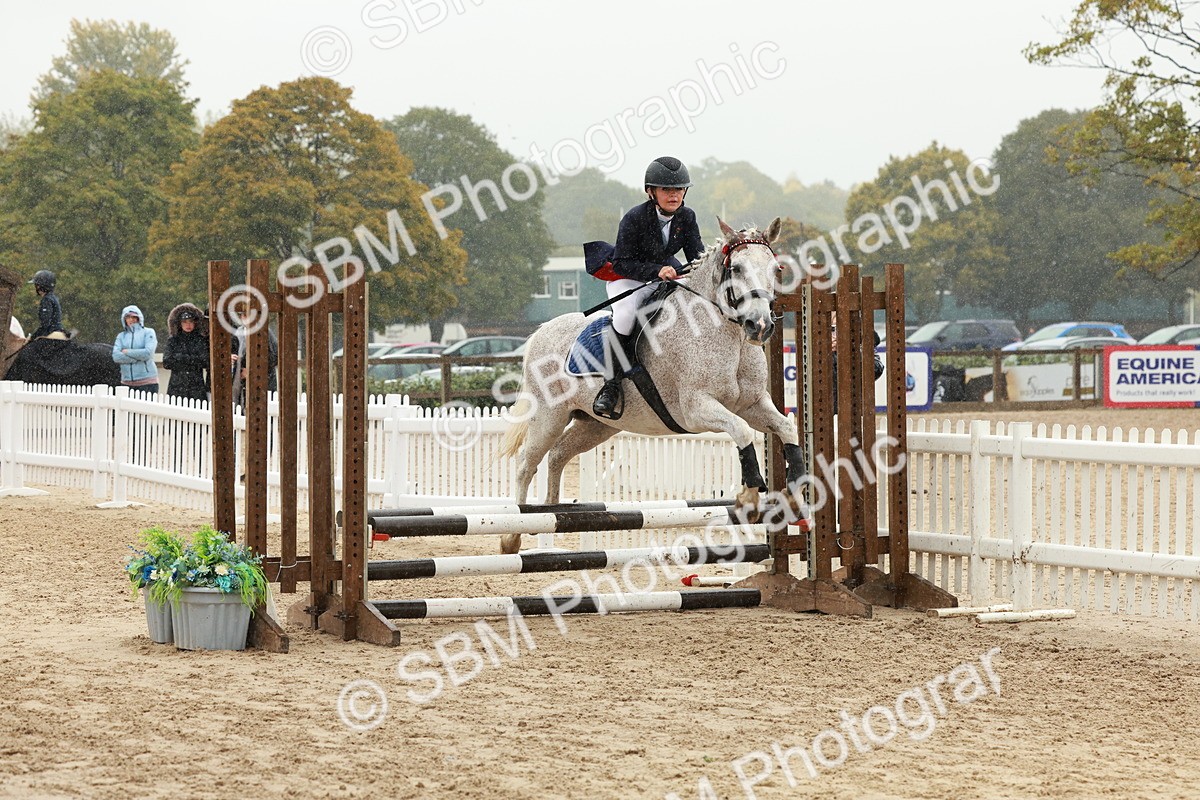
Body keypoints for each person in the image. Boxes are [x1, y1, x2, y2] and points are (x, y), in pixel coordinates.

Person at [591, 156, 705, 418]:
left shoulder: (687, 216)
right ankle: (611, 386)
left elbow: (696, 255)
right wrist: (656, 270)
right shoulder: (634, 218)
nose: (674, 195)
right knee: (625, 314)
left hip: (665, 273)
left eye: (678, 189)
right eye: (667, 190)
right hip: (629, 276)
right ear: (651, 191)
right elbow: (621, 263)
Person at [162, 303, 210, 401]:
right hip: (176, 386)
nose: (188, 325)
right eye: (184, 322)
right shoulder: (173, 340)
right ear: (179, 323)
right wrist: (191, 359)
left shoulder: (201, 340)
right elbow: (167, 362)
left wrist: (180, 358)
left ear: (195, 323)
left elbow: (205, 361)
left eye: (190, 321)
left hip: (196, 386)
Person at [112, 305, 159, 394]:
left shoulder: (148, 332)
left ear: (139, 318)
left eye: (134, 317)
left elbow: (148, 353)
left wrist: (127, 352)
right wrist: (136, 358)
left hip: (147, 382)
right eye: (128, 317)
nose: (131, 319)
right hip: (126, 383)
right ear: (124, 319)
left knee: (146, 408)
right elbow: (116, 356)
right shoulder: (121, 336)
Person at [27, 270, 64, 339]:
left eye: (37, 285)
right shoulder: (53, 297)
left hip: (51, 333)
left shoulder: (46, 300)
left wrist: (32, 337)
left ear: (40, 286)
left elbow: (45, 324)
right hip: (59, 332)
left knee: (27, 349)